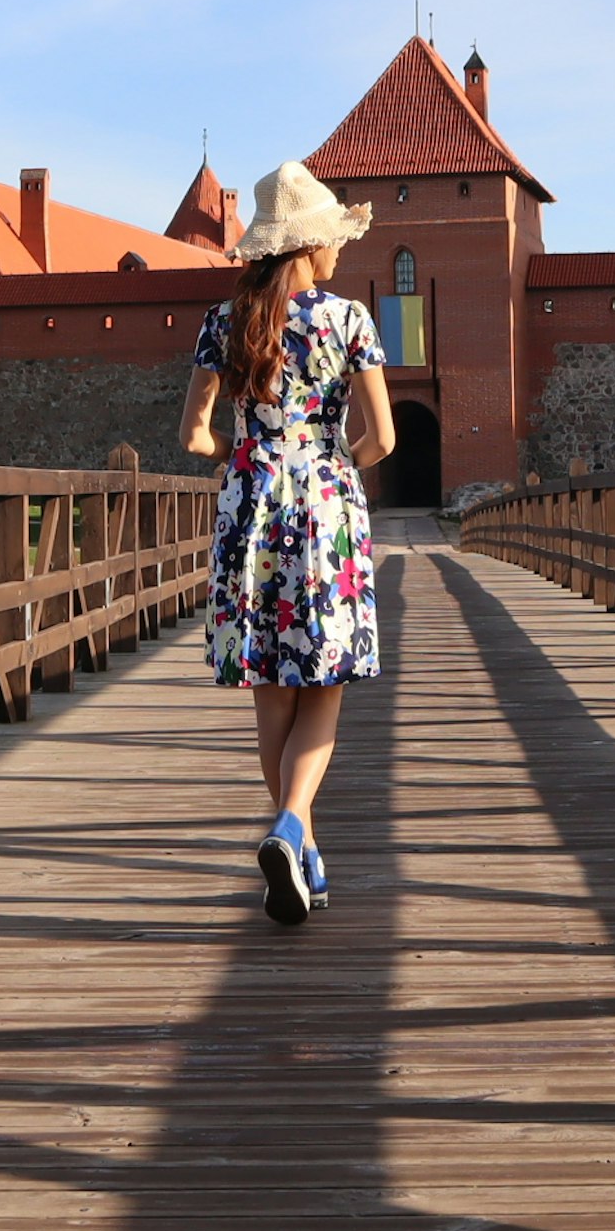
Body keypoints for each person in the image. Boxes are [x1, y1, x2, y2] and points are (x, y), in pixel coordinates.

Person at [177, 160, 396, 925]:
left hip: (251, 511)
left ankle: (302, 853)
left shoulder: (225, 321)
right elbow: (383, 439)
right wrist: (334, 465)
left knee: (272, 684)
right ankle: (293, 825)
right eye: (333, 239)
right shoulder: (350, 321)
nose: (341, 252)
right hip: (324, 508)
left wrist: (238, 454)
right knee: (324, 684)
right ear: (307, 247)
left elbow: (194, 434)